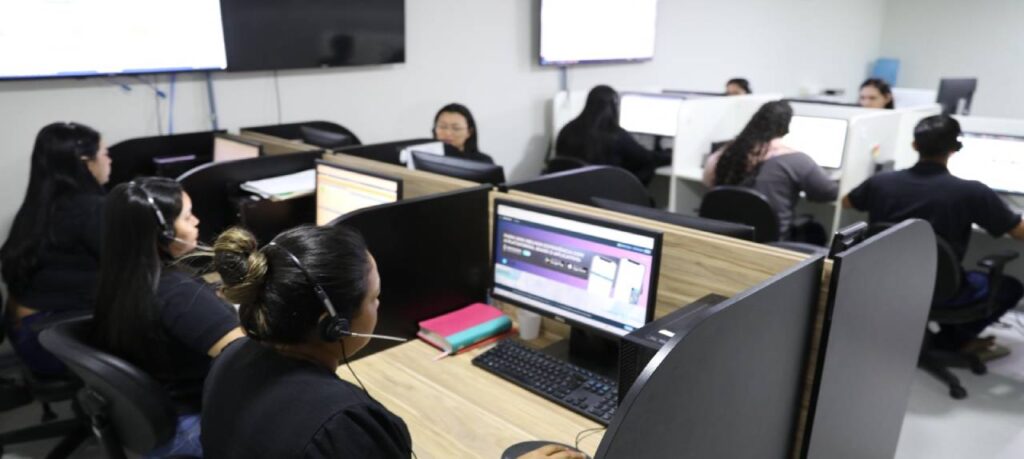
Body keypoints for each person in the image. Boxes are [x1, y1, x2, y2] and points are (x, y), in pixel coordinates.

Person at [202, 225, 585, 459]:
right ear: (334, 325)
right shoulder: (344, 427)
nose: (380, 306)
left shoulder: (232, 357)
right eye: (375, 297)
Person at [843, 115, 1024, 352]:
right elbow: (1018, 231)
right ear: (955, 149)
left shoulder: (880, 182)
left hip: (885, 282)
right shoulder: (972, 192)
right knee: (1011, 287)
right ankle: (953, 341)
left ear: (914, 145)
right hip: (940, 290)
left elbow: (847, 202)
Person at [93, 177, 245, 457]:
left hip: (156, 421)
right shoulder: (176, 294)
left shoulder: (120, 279)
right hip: (192, 426)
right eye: (187, 217)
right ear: (162, 234)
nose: (197, 221)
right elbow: (248, 359)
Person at [1, 122, 111, 376]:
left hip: (30, 334)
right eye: (105, 153)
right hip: (55, 341)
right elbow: (130, 268)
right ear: (86, 162)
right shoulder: (91, 208)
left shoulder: (37, 207)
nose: (110, 160)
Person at [703, 101, 838, 241]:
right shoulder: (796, 160)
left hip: (726, 235)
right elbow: (829, 192)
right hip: (770, 242)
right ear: (785, 128)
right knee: (816, 231)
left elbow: (707, 181)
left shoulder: (726, 152)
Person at [555, 85, 671, 185]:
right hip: (607, 192)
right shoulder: (616, 135)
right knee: (648, 166)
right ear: (614, 106)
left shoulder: (567, 129)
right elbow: (647, 158)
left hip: (570, 191)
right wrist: (669, 155)